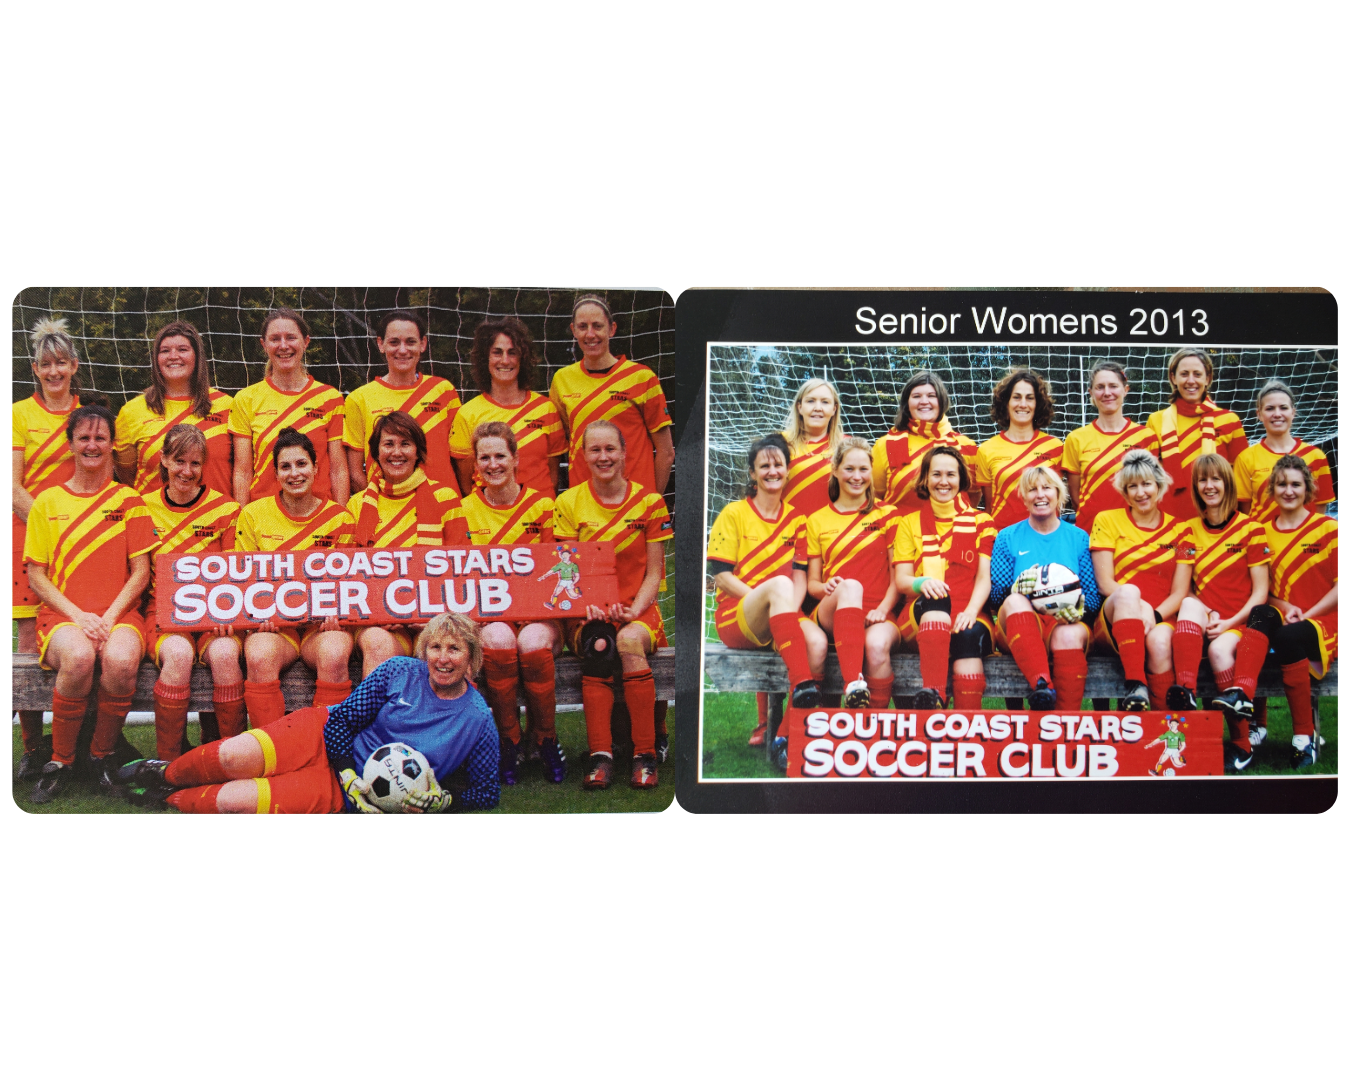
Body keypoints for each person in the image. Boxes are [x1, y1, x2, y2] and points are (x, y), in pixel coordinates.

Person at [118, 613, 499, 815]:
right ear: (424, 650)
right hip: (322, 737)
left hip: (347, 792)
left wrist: (448, 801)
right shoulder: (399, 672)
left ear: (471, 657)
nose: (443, 659)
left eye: (454, 650)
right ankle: (161, 772)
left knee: (231, 804)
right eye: (435, 647)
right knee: (232, 756)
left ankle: (166, 799)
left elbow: (486, 792)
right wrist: (349, 769)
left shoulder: (478, 718)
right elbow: (342, 720)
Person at [22, 404, 156, 801]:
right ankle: (60, 761)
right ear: (70, 445)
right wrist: (80, 617)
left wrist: (109, 618)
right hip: (63, 616)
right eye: (84, 437)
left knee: (119, 660)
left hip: (120, 615)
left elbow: (141, 573)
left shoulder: (129, 500)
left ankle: (101, 757)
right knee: (79, 658)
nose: (92, 445)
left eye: (101, 438)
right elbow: (36, 576)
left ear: (113, 445)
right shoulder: (47, 502)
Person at [554, 419, 672, 790]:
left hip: (637, 609)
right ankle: (600, 756)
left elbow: (654, 573)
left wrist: (635, 610)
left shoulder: (650, 502)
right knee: (601, 642)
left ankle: (645, 755)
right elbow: (567, 571)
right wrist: (590, 604)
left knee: (628, 641)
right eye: (595, 450)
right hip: (588, 610)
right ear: (582, 455)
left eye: (610, 449)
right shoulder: (568, 502)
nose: (603, 457)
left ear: (623, 453)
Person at [461, 421, 566, 784]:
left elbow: (564, 568)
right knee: (499, 642)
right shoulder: (463, 511)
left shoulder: (544, 506)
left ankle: (546, 739)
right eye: (484, 457)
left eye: (500, 456)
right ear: (474, 464)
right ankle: (510, 740)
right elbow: (458, 578)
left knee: (533, 644)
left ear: (516, 459)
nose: (493, 465)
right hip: (491, 616)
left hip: (540, 615)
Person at [706, 433, 822, 755]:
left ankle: (785, 737)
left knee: (818, 643)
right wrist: (770, 598)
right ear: (753, 473)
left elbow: (800, 578)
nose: (772, 470)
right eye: (764, 465)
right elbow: (719, 576)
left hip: (781, 613)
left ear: (788, 471)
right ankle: (801, 682)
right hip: (737, 616)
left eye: (778, 464)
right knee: (780, 585)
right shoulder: (733, 513)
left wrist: (785, 608)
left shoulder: (799, 519)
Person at [235, 428, 357, 730]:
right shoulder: (252, 515)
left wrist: (337, 614)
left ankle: (325, 750)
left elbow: (350, 585)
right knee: (259, 652)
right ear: (275, 473)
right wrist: (258, 615)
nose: (294, 473)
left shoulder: (340, 518)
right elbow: (242, 580)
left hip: (322, 626)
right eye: (285, 466)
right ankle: (272, 751)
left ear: (316, 468)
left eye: (301, 464)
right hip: (278, 627)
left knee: (334, 650)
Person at [140, 425, 245, 760]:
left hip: (215, 616)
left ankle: (228, 759)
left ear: (204, 466)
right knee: (179, 656)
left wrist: (227, 615)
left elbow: (234, 577)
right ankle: (168, 762)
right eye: (179, 461)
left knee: (227, 655)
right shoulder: (142, 508)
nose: (187, 471)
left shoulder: (226, 510)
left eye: (195, 463)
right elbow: (140, 576)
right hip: (163, 614)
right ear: (164, 460)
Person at [1173, 454, 1277, 772]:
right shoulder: (1188, 531)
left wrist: (1229, 622)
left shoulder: (1252, 530)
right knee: (1189, 603)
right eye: (1203, 479)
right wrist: (1209, 613)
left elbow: (1261, 593)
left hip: (1242, 620)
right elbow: (1183, 589)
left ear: (1227, 482)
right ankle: (1186, 693)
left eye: (1216, 478)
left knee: (1219, 651)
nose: (1209, 485)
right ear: (1196, 486)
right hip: (1208, 617)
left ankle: (1242, 745)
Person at [345, 411, 467, 681]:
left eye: (405, 444)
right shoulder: (356, 505)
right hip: (379, 621)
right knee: (377, 641)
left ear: (418, 451)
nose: (396, 452)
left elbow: (461, 571)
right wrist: (384, 610)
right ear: (376, 452)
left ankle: (448, 723)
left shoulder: (445, 498)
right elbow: (352, 576)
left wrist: (424, 615)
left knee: (453, 642)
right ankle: (379, 724)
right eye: (388, 444)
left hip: (435, 617)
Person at [13, 317, 84, 764]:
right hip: (30, 538)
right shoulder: (19, 413)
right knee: (27, 646)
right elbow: (14, 487)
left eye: (61, 362)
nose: (54, 371)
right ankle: (33, 748)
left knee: (79, 636)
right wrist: (52, 528)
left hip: (84, 544)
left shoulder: (90, 411)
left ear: (74, 365)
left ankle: (81, 742)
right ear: (35, 369)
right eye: (45, 364)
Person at [892, 446, 998, 710]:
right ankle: (934, 696)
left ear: (961, 479)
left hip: (968, 611)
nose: (943, 481)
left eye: (951, 474)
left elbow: (985, 578)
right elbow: (902, 580)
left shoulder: (982, 521)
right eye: (936, 474)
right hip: (919, 614)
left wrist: (972, 611)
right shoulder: (908, 522)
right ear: (925, 480)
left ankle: (966, 732)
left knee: (968, 637)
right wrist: (922, 583)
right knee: (936, 602)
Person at [1089, 450, 1194, 711]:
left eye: (1146, 484)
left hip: (1161, 616)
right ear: (1124, 492)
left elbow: (1181, 592)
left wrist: (1155, 616)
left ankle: (1163, 722)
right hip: (1117, 615)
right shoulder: (1106, 520)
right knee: (1128, 592)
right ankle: (1135, 685)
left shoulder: (1183, 530)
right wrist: (1140, 607)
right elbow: (1104, 583)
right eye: (1132, 486)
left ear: (1159, 485)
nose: (1140, 492)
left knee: (1159, 642)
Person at [988, 467, 1100, 711]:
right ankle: (1042, 685)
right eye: (1032, 489)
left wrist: (1080, 611)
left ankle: (1066, 720)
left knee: (1068, 634)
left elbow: (1092, 596)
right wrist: (1015, 588)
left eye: (1047, 488)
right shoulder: (1007, 537)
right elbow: (995, 598)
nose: (1040, 495)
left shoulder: (1079, 538)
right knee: (1015, 601)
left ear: (1059, 494)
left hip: (1063, 624)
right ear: (1023, 497)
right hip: (1021, 627)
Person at [805, 437, 902, 711]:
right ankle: (853, 684)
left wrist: (883, 610)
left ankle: (872, 727)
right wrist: (826, 587)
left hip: (878, 612)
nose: (857, 477)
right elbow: (812, 584)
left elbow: (898, 578)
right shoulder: (817, 520)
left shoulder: (889, 515)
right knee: (850, 587)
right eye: (849, 469)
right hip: (834, 610)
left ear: (872, 472)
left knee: (876, 646)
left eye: (863, 469)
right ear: (835, 470)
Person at [550, 294, 674, 497]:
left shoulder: (642, 378)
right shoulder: (562, 380)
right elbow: (562, 441)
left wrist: (651, 502)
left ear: (612, 329)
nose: (590, 334)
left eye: (597, 326)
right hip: (583, 505)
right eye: (582, 327)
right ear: (573, 330)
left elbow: (666, 453)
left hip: (633, 506)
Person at [1263, 455, 1340, 769]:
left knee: (1287, 637)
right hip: (1285, 617)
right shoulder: (1261, 533)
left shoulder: (1332, 528)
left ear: (1308, 489)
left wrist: (1308, 613)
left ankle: (1303, 738)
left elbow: (1345, 587)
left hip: (1328, 619)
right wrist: (1284, 606)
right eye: (1281, 484)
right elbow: (1262, 590)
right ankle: (1262, 729)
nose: (1288, 490)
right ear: (1272, 489)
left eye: (1295, 484)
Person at [230, 307, 348, 508]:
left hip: (319, 519)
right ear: (264, 345)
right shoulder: (245, 399)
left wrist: (341, 518)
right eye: (275, 339)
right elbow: (243, 472)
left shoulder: (330, 398)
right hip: (265, 519)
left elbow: (338, 470)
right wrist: (243, 522)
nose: (283, 345)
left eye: (291, 337)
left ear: (306, 342)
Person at [344, 309, 463, 496]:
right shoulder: (359, 399)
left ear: (422, 344)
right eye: (394, 342)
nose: (402, 350)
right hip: (389, 516)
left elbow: (461, 460)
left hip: (442, 508)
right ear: (380, 344)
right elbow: (355, 472)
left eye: (410, 342)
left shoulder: (443, 391)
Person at [114, 320, 234, 497]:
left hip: (216, 521)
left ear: (197, 357)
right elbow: (126, 474)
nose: (173, 356)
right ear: (156, 359)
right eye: (165, 351)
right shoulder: (132, 411)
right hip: (155, 522)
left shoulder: (228, 406)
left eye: (182, 349)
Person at [451, 317, 565, 498]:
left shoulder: (546, 409)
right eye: (497, 352)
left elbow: (553, 477)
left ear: (523, 358)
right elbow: (465, 484)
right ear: (485, 358)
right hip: (489, 519)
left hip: (539, 517)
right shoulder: (467, 413)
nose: (505, 360)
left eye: (512, 353)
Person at [1146, 347, 1247, 522]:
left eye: (1197, 374)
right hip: (1168, 518)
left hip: (1218, 518)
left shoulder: (1230, 420)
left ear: (1207, 378)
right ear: (1173, 377)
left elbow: (1241, 478)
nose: (1190, 381)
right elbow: (1149, 477)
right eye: (1184, 374)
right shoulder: (1156, 420)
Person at [1062, 359, 1160, 537]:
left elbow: (1152, 490)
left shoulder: (1146, 437)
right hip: (1091, 532)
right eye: (1100, 387)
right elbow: (1076, 498)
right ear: (1091, 392)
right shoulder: (1075, 439)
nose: (1107, 393)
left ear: (1125, 390)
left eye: (1113, 386)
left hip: (1135, 534)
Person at [871, 370, 977, 514]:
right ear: (907, 403)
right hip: (900, 533)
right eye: (916, 396)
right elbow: (876, 497)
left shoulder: (966, 446)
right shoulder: (885, 445)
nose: (924, 401)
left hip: (951, 533)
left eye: (931, 396)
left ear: (942, 400)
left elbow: (973, 496)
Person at [974, 368, 1064, 532]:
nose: (1023, 404)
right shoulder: (986, 450)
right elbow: (989, 505)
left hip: (1046, 538)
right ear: (1006, 402)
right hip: (1004, 539)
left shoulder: (1056, 447)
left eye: (1030, 398)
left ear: (1037, 404)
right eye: (1016, 397)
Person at [1233, 379, 1333, 523]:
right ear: (1259, 414)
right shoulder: (1245, 458)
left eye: (1283, 408)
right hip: (1263, 542)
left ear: (1293, 412)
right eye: (1270, 408)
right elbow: (1244, 511)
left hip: (1304, 541)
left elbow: (1320, 507)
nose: (1277, 414)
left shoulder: (1316, 456)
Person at [781, 378, 846, 518]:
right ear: (799, 407)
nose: (817, 407)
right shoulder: (779, 443)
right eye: (810, 401)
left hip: (831, 533)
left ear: (834, 408)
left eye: (825, 402)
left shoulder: (847, 446)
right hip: (786, 532)